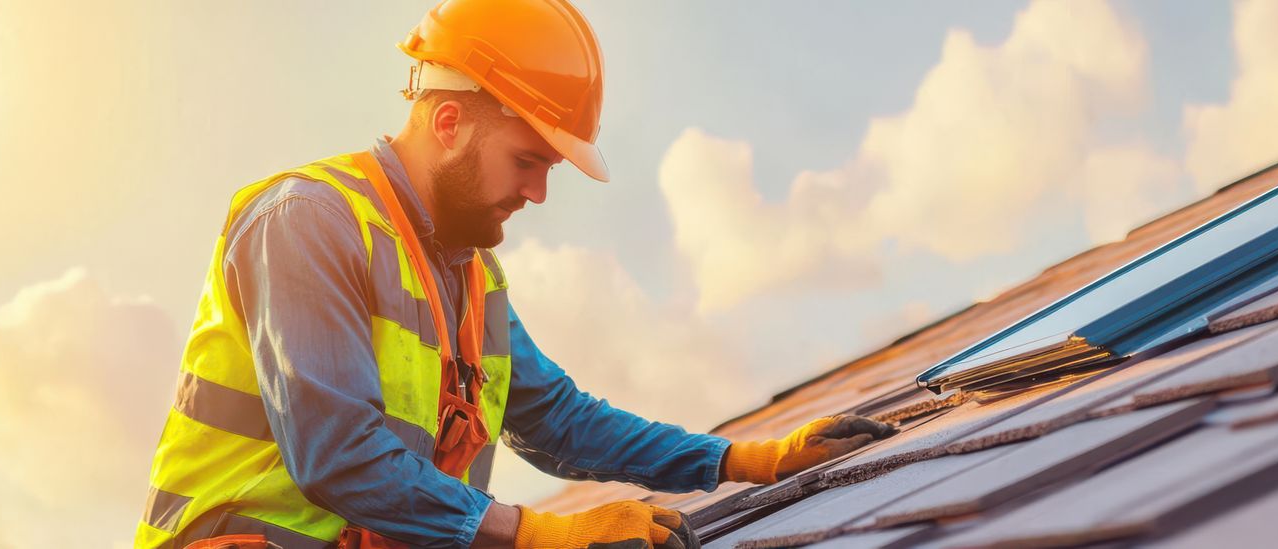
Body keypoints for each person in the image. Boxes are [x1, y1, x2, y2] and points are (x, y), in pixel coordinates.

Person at [135, 1, 896, 548]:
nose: (538, 193)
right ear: (448, 123)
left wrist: (742, 459)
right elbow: (338, 454)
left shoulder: (472, 282)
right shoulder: (306, 222)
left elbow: (561, 421)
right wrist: (530, 532)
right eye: (527, 160)